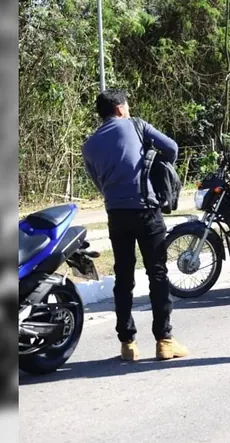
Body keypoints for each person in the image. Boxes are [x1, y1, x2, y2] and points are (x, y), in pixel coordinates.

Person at [82, 88, 189, 361]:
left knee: (124, 277)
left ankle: (127, 343)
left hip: (116, 215)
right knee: (157, 273)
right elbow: (172, 149)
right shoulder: (136, 125)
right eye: (126, 106)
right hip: (146, 211)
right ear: (120, 108)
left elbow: (99, 184)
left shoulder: (89, 145)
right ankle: (164, 340)